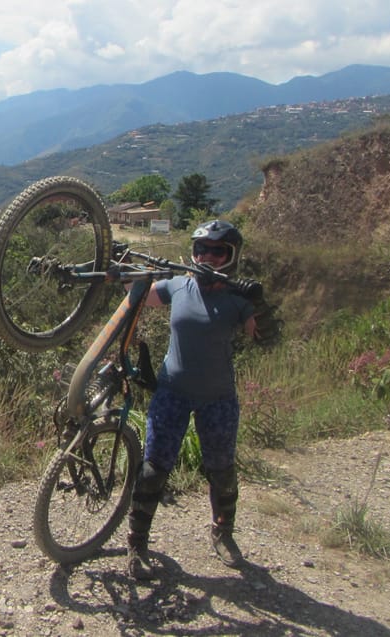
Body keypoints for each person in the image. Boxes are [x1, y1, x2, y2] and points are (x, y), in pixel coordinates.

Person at [126, 219, 258, 580]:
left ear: (231, 257)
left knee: (222, 471)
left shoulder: (238, 299)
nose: (208, 257)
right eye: (202, 249)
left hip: (218, 398)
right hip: (173, 392)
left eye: (218, 251)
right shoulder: (178, 286)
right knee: (153, 469)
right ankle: (137, 544)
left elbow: (259, 330)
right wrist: (122, 269)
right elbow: (140, 294)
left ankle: (223, 533)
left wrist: (255, 309)